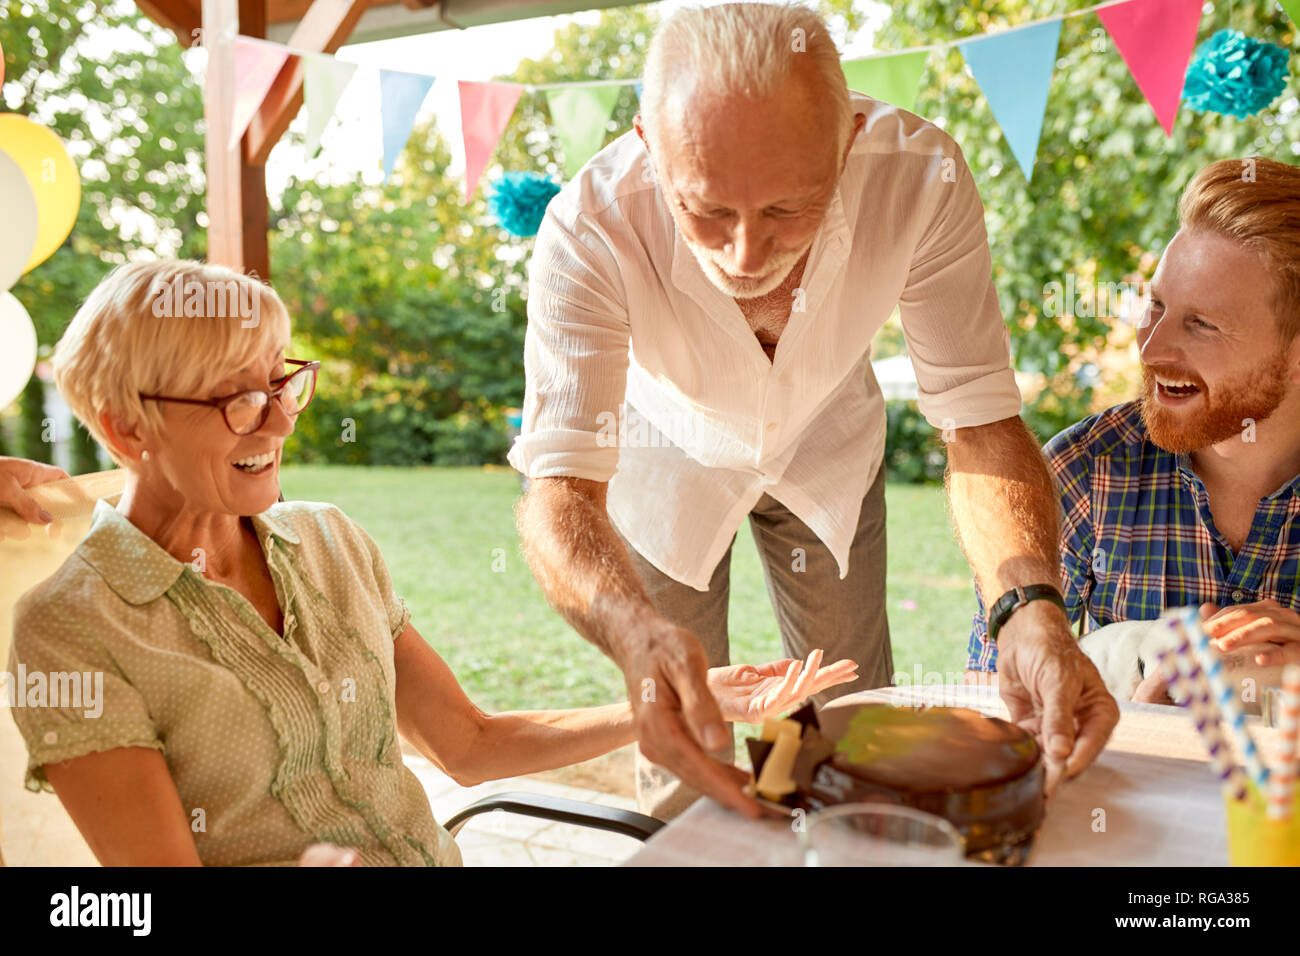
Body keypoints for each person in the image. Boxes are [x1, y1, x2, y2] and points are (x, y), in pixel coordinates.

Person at [5, 259, 856, 866]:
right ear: (125, 429)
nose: (275, 422)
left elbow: (470, 745)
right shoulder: (72, 632)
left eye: (281, 382)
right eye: (235, 399)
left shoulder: (329, 541)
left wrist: (673, 700)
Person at [509, 2, 1116, 821]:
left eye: (789, 208)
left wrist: (1027, 606)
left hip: (829, 444)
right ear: (650, 150)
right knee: (686, 730)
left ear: (851, 140)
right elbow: (560, 490)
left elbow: (978, 422)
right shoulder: (587, 227)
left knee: (853, 719)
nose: (745, 254)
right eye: (709, 210)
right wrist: (633, 637)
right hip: (661, 462)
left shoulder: (920, 175)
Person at [967, 157, 1300, 704]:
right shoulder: (1083, 469)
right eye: (1157, 305)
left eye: (1203, 325)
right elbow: (993, 700)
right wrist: (1147, 712)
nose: (1151, 348)